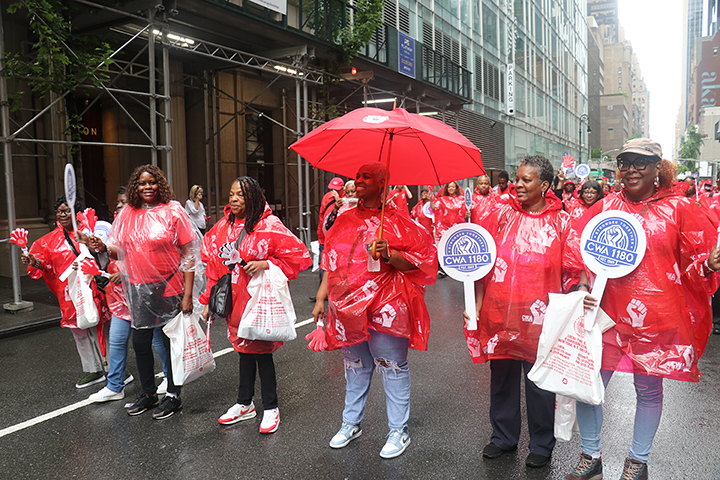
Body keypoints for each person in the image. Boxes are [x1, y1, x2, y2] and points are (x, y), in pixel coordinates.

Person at [562, 138, 720, 480]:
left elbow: (692, 267)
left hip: (657, 318)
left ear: (658, 168)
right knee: (589, 387)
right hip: (605, 318)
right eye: (625, 162)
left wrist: (708, 264)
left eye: (640, 162)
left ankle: (637, 461)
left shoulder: (678, 209)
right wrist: (582, 286)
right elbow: (579, 254)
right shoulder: (604, 208)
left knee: (648, 391)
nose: (631, 169)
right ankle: (591, 455)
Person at [312, 161, 437, 459]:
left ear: (383, 184)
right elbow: (331, 261)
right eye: (357, 176)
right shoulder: (344, 219)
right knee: (355, 365)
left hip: (386, 306)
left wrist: (390, 254)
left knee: (391, 366)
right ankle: (351, 423)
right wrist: (321, 297)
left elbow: (421, 263)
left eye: (366, 177)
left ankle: (398, 430)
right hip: (348, 307)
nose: (358, 181)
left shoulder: (399, 222)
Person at [464, 155, 570, 469]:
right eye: (517, 178)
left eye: (527, 179)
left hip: (541, 318)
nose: (518, 184)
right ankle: (503, 437)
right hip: (500, 312)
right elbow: (480, 263)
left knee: (539, 384)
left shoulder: (562, 222)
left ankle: (541, 443)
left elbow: (572, 269)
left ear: (545, 185)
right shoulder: (500, 214)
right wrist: (476, 305)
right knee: (501, 379)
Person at [87, 165, 200, 420]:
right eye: (142, 183)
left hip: (169, 287)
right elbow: (122, 252)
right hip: (138, 288)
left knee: (169, 344)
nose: (147, 187)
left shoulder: (173, 211)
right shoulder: (128, 213)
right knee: (140, 343)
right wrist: (103, 247)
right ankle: (149, 393)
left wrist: (188, 295)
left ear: (160, 184)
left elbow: (189, 254)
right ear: (135, 188)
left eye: (152, 182)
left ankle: (173, 395)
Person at [200, 176, 309, 433]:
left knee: (261, 352)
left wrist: (266, 263)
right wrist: (207, 301)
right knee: (243, 351)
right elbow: (213, 266)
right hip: (234, 300)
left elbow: (297, 256)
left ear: (254, 197)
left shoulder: (269, 225)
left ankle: (271, 407)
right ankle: (244, 402)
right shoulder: (223, 227)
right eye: (231, 194)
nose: (234, 199)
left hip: (258, 299)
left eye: (241, 194)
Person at [20, 195, 111, 389]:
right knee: (79, 331)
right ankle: (93, 370)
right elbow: (45, 265)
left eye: (66, 210)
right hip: (69, 293)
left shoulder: (89, 231)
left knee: (102, 328)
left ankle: (116, 369)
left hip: (92, 288)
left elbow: (104, 254)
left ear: (75, 213)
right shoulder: (49, 241)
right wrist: (34, 261)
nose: (62, 215)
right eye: (59, 211)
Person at [88, 186, 169, 402]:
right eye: (117, 203)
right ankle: (115, 386)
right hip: (120, 298)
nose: (119, 206)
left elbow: (151, 260)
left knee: (157, 340)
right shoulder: (113, 228)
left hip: (145, 296)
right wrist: (98, 248)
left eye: (124, 202)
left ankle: (169, 377)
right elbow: (108, 258)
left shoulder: (145, 226)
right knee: (117, 340)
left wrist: (125, 273)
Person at [311, 177, 345, 300]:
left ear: (342, 189)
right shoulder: (326, 197)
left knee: (337, 266)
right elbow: (322, 216)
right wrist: (320, 234)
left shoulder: (345, 199)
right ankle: (323, 293)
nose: (334, 191)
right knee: (323, 266)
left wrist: (338, 200)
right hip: (324, 237)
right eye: (332, 189)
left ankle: (336, 292)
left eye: (337, 189)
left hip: (338, 239)